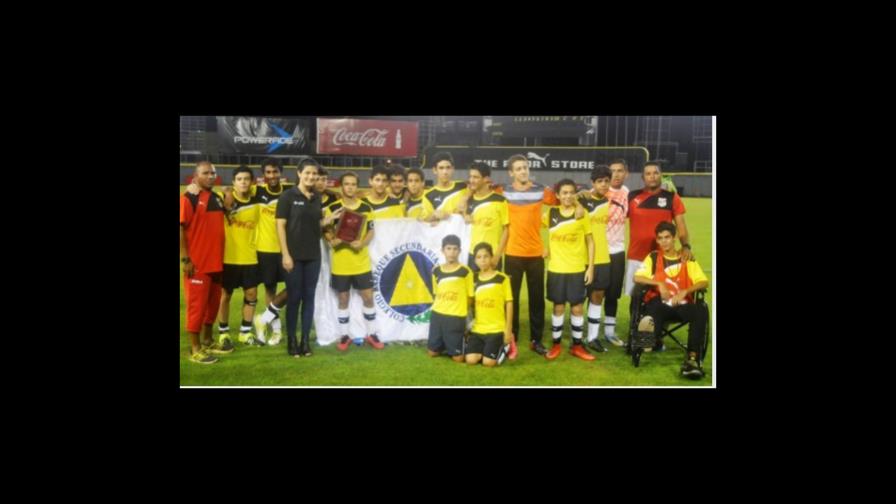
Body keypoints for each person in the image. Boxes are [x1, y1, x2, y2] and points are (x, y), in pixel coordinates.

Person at [276, 158, 342, 357]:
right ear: (299, 173)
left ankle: (305, 341)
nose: (311, 177)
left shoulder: (317, 197)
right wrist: (285, 254)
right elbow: (280, 226)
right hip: (293, 257)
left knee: (309, 298)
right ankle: (292, 341)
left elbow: (314, 224)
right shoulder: (287, 196)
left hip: (313, 256)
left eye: (315, 174)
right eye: (308, 173)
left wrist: (327, 220)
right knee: (294, 298)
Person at [494, 154, 559, 356]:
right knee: (511, 298)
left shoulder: (541, 190)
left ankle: (536, 340)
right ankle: (510, 338)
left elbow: (564, 202)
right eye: (519, 168)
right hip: (512, 254)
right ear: (511, 172)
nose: (523, 171)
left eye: (525, 167)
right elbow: (478, 190)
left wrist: (551, 245)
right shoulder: (503, 191)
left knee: (536, 299)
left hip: (536, 255)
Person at [633, 221, 709, 379]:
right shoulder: (653, 257)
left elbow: (703, 281)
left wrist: (685, 291)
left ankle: (692, 360)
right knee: (655, 308)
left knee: (700, 311)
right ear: (657, 240)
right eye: (660, 238)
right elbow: (637, 277)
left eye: (667, 237)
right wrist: (659, 283)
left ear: (674, 238)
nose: (664, 241)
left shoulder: (686, 258)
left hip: (682, 305)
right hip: (660, 305)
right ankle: (648, 340)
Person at [322, 172, 384, 351]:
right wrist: (332, 240)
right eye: (347, 184)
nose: (350, 187)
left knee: (368, 297)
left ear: (357, 186)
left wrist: (362, 242)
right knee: (343, 299)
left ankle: (371, 333)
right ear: (341, 186)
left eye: (353, 184)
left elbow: (371, 231)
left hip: (361, 262)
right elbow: (326, 230)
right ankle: (343, 335)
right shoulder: (333, 208)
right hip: (341, 263)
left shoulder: (366, 208)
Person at [180, 161, 229, 364]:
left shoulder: (216, 198)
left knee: (212, 305)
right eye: (205, 173)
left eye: (213, 173)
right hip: (197, 264)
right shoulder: (188, 198)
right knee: (196, 307)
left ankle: (208, 340)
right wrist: (185, 258)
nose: (210, 176)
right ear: (195, 175)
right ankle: (195, 349)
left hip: (217, 263)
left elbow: (229, 211)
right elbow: (180, 229)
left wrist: (227, 194)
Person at [543, 179, 595, 361]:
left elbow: (590, 241)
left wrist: (590, 268)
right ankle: (556, 345)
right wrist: (545, 247)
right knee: (558, 307)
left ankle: (577, 346)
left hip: (576, 269)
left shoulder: (582, 214)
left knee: (577, 308)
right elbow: (533, 228)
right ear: (557, 195)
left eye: (571, 192)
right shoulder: (550, 213)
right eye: (563, 192)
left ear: (575, 194)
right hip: (556, 269)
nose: (567, 196)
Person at [626, 161, 692, 296]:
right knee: (635, 294)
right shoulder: (632, 197)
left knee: (661, 293)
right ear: (643, 178)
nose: (652, 176)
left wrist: (686, 246)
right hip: (637, 255)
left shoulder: (672, 197)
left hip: (663, 255)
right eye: (648, 174)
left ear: (661, 175)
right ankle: (635, 317)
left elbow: (681, 226)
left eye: (656, 173)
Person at [217, 165, 263, 346]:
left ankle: (245, 332)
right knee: (225, 295)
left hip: (250, 256)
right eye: (239, 179)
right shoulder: (222, 199)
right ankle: (223, 332)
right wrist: (226, 193)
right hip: (228, 257)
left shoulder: (258, 200)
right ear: (233, 182)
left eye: (246, 179)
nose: (243, 182)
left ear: (252, 182)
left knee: (251, 294)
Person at [251, 158, 293, 346]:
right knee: (270, 289)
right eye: (268, 172)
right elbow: (233, 192)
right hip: (265, 250)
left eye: (275, 172)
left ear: (281, 173)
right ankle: (276, 332)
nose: (272, 176)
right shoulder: (257, 191)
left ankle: (264, 318)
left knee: (293, 286)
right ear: (263, 175)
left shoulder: (290, 192)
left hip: (287, 249)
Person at [578, 165, 613, 353]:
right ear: (593, 183)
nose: (604, 184)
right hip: (581, 258)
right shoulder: (582, 199)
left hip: (602, 257)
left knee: (597, 296)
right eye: (600, 181)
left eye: (606, 181)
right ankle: (577, 336)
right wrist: (579, 194)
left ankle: (592, 337)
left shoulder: (608, 201)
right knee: (579, 298)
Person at [465, 243, 513, 367]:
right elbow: (468, 302)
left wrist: (508, 329)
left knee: (488, 363)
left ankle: (507, 346)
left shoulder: (502, 279)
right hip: (478, 329)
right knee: (471, 360)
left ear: (492, 257)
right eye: (479, 257)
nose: (483, 260)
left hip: (496, 329)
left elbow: (509, 303)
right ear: (475, 260)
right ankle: (485, 349)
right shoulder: (473, 279)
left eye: (486, 256)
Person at [427, 234, 473, 363]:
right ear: (443, 250)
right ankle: (444, 343)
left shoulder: (465, 271)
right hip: (438, 315)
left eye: (455, 249)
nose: (451, 252)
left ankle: (465, 339)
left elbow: (470, 296)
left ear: (459, 251)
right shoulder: (436, 271)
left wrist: (463, 314)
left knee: (457, 358)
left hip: (455, 316)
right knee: (432, 353)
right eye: (448, 248)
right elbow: (435, 294)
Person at [600, 158, 630, 345]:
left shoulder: (627, 193)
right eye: (613, 171)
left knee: (613, 293)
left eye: (620, 170)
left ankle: (609, 332)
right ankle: (591, 329)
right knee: (594, 292)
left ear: (626, 173)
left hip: (618, 250)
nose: (616, 174)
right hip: (598, 251)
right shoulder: (600, 191)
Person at [464, 162, 509, 272]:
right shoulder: (468, 200)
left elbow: (506, 230)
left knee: (491, 289)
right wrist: (464, 214)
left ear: (486, 179)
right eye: (470, 177)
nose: (471, 180)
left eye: (476, 177)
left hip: (492, 255)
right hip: (473, 256)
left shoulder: (499, 200)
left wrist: (497, 255)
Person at [424, 152, 469, 221]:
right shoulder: (428, 195)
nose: (445, 172)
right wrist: (434, 215)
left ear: (453, 169)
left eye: (448, 168)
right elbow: (424, 221)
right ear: (434, 170)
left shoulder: (463, 186)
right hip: (440, 231)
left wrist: (465, 198)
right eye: (441, 168)